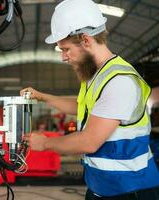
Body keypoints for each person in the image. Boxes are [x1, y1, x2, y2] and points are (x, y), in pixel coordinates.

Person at [20, 0, 159, 199]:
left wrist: (45, 144)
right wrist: (43, 97)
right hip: (102, 186)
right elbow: (82, 107)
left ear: (86, 40)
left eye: (66, 49)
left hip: (130, 189)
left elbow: (89, 141)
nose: (63, 57)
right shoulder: (96, 75)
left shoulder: (119, 81)